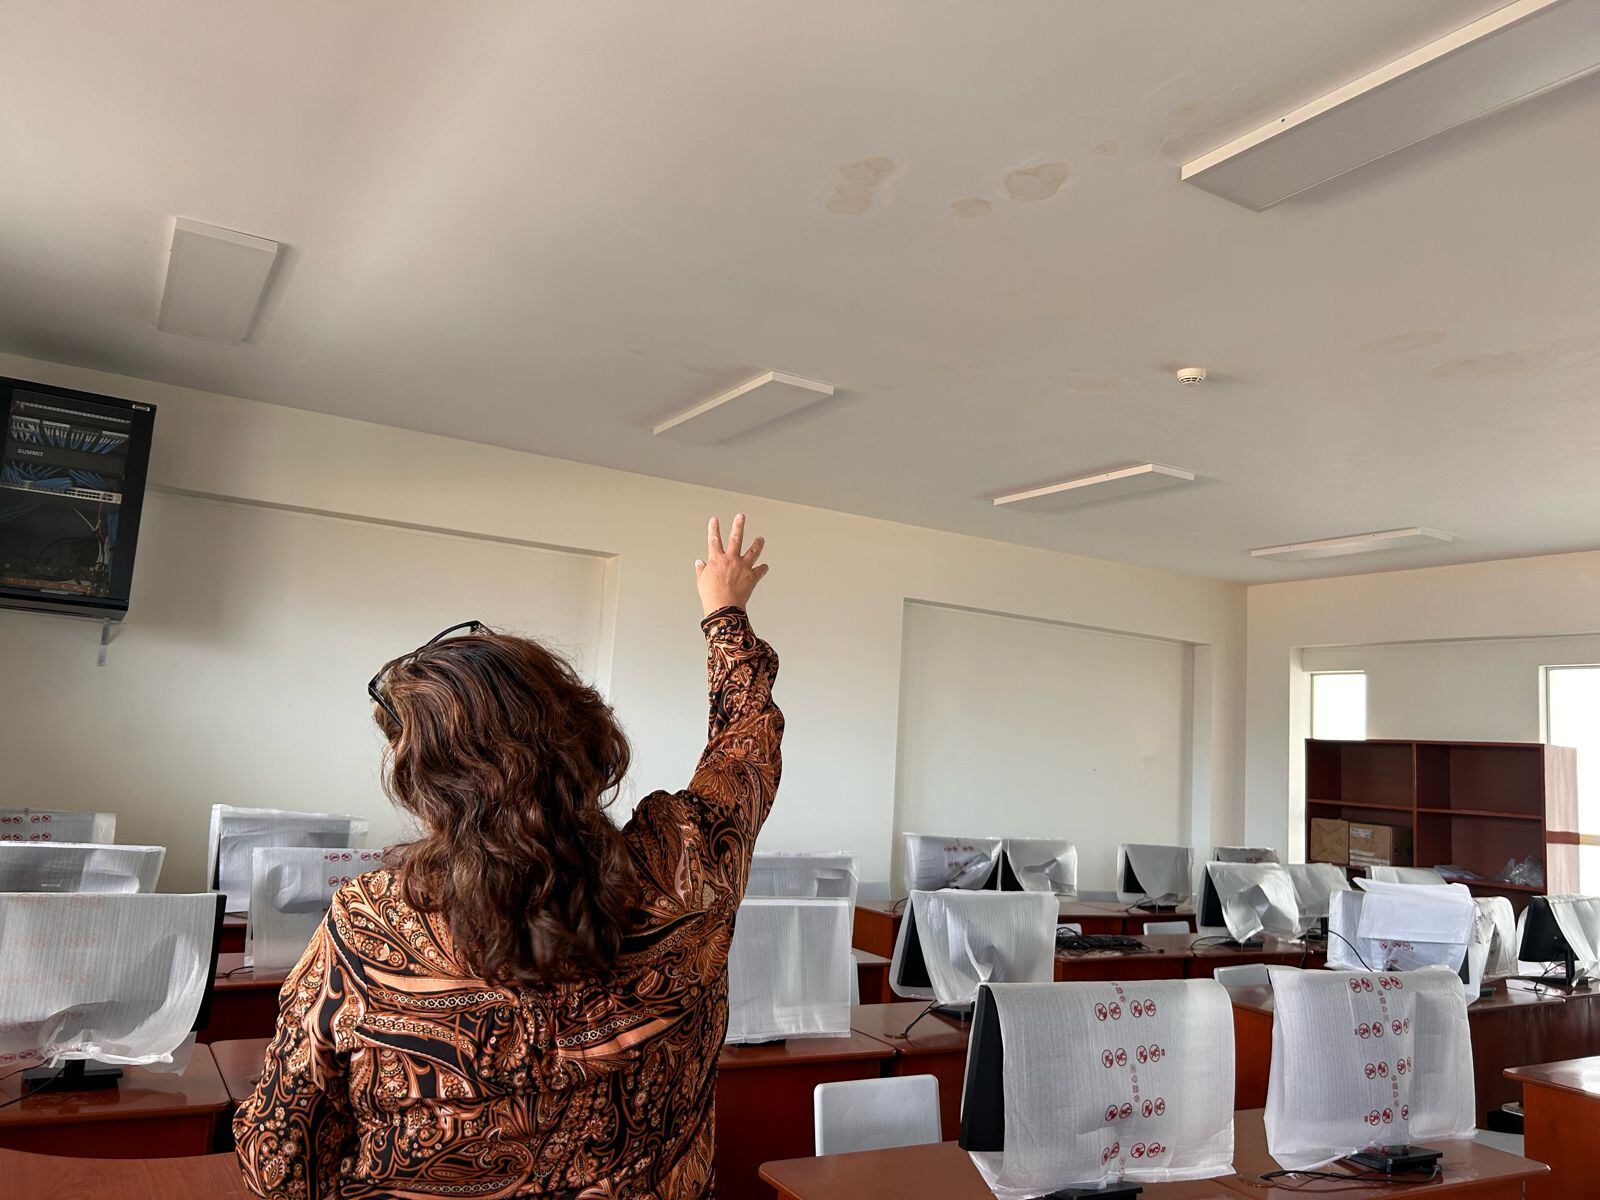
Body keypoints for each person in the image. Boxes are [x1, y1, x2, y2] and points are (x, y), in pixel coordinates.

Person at [235, 515, 780, 1200]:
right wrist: (724, 611)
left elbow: (281, 1155)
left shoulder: (371, 925)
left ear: (425, 784)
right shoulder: (686, 870)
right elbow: (746, 746)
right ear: (585, 731)